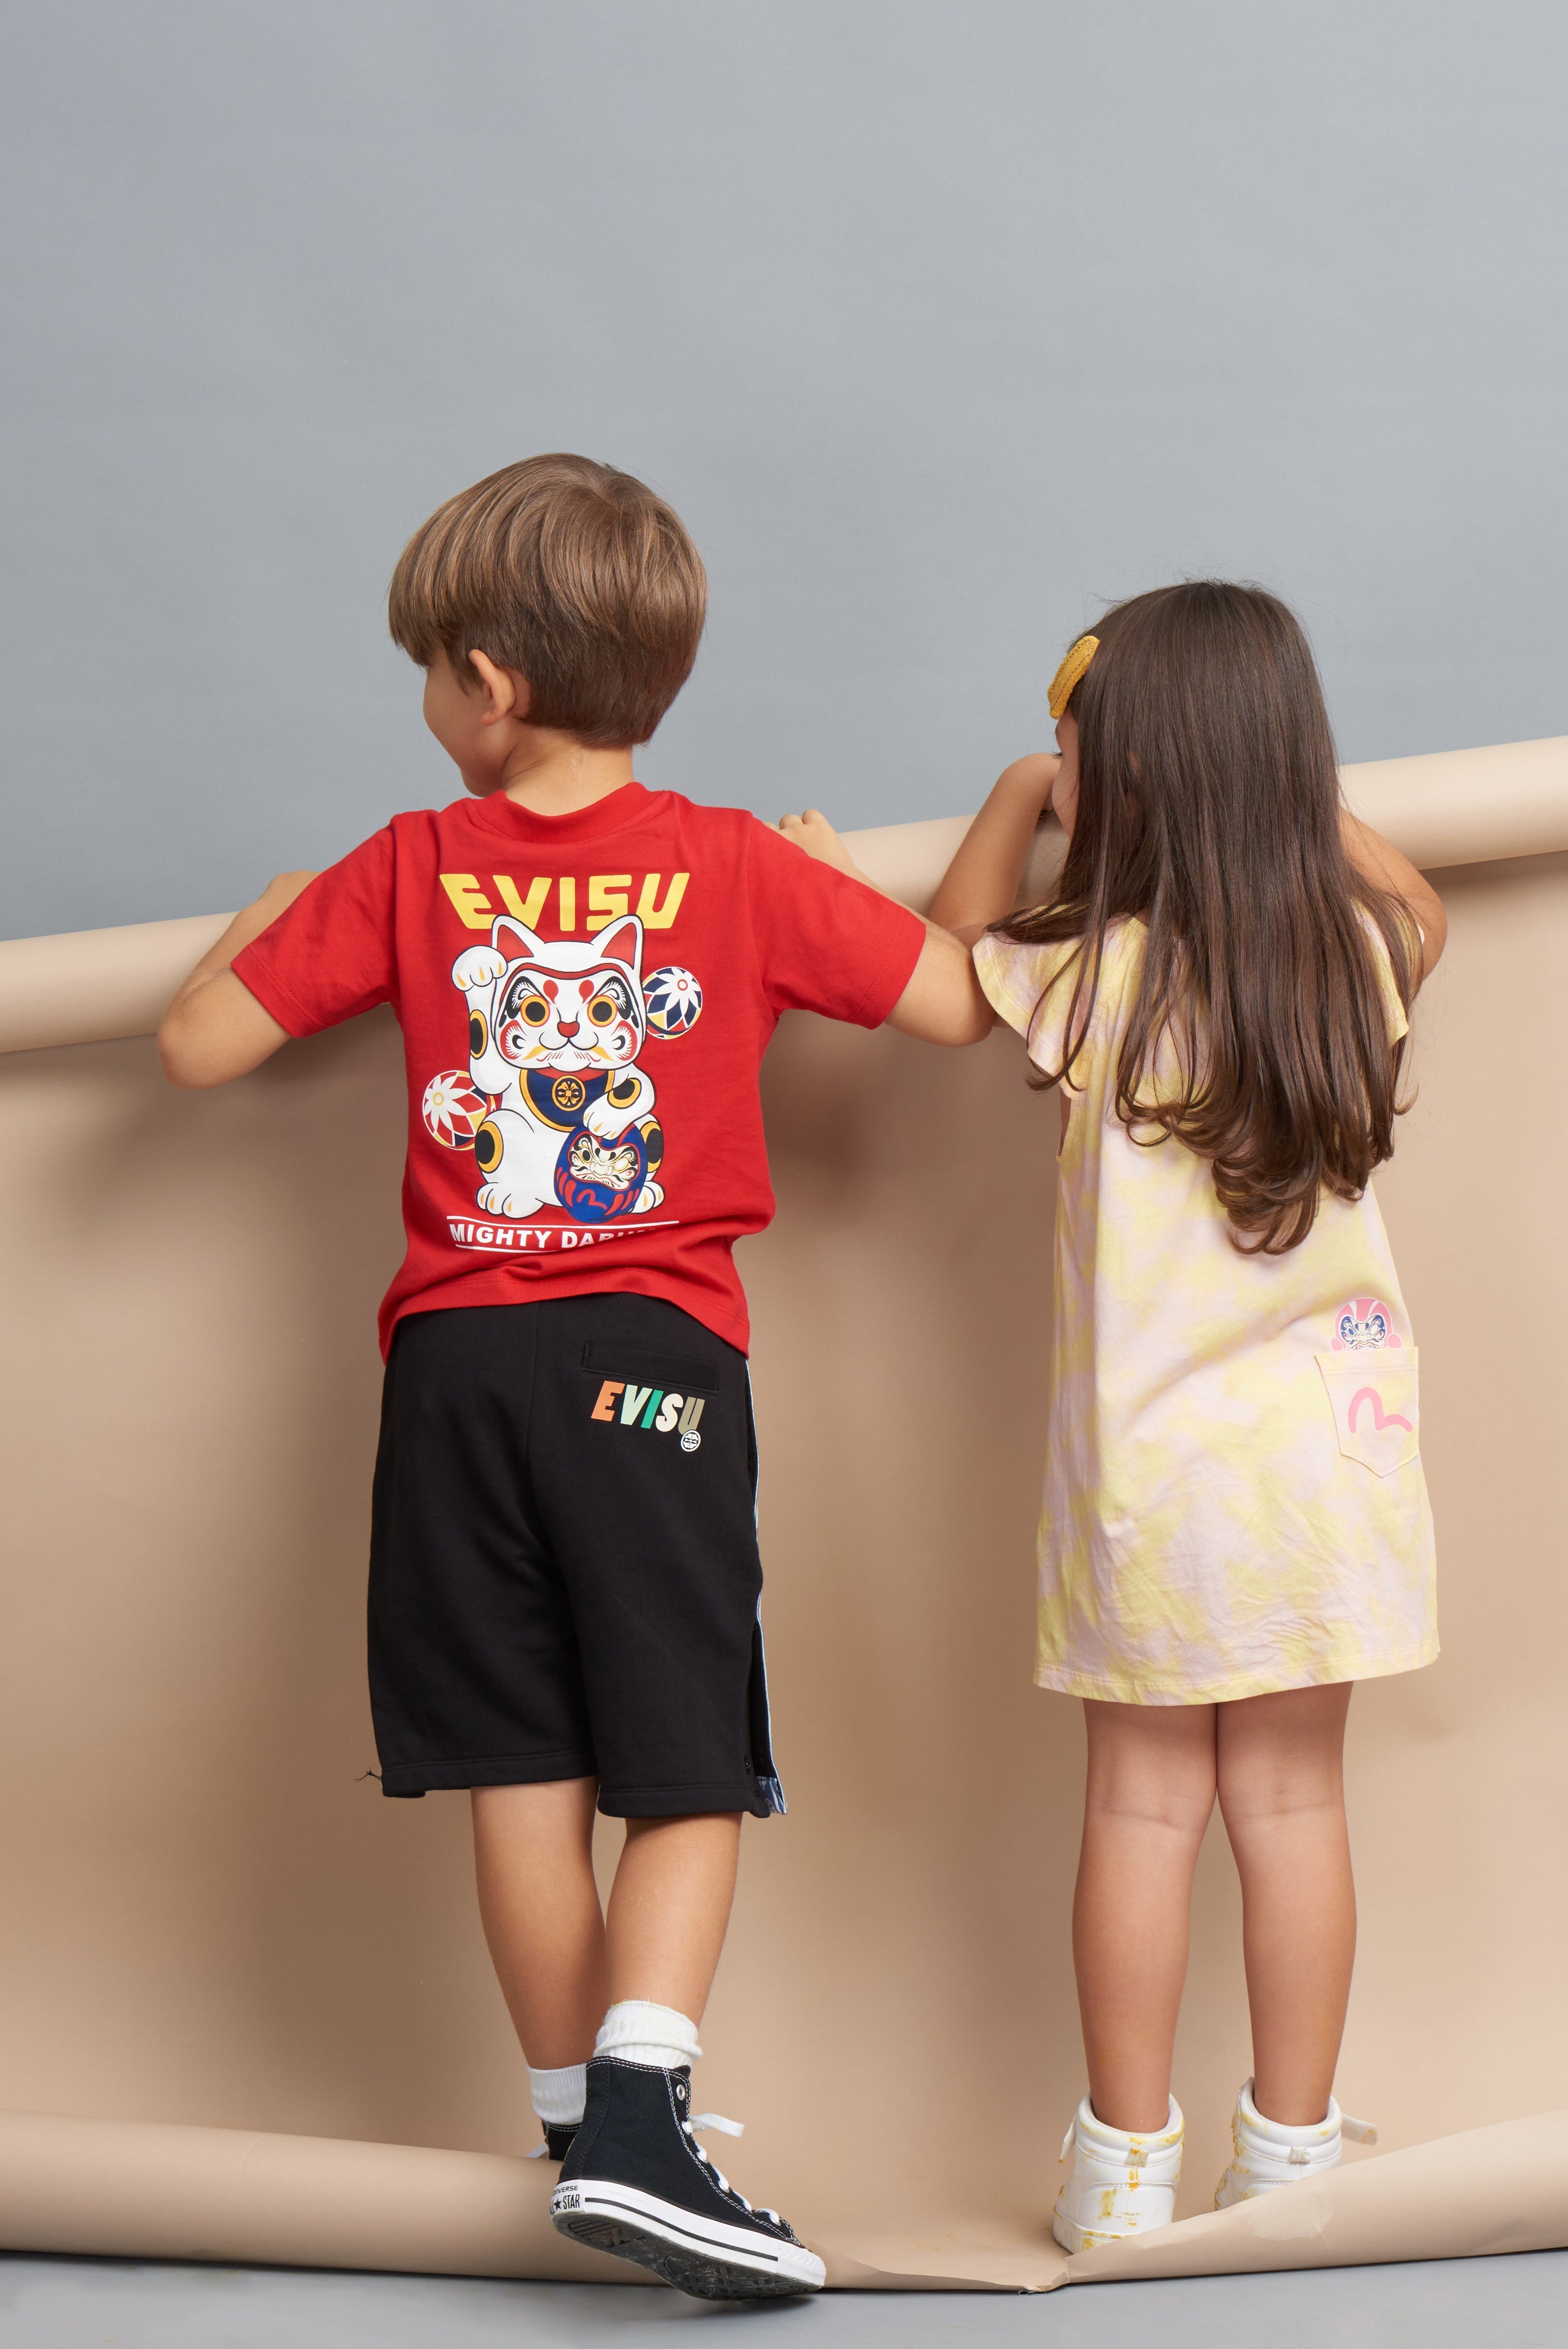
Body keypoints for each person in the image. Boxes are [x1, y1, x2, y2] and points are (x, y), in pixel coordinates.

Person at [157, 454, 991, 2299]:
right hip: (651, 1369)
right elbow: (956, 1005)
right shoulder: (742, 867)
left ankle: (576, 2137)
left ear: (488, 681)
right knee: (684, 1761)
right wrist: (849, 886)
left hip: (454, 1374)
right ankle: (639, 2120)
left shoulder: (402, 867)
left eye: (425, 670)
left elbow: (198, 1047)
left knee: (519, 1769)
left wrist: (265, 912)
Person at [782, 581, 1444, 2247]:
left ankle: (1122, 2169)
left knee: (1144, 1810)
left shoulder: (1097, 980)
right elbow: (1417, 898)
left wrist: (1021, 792)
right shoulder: (1353, 956)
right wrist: (1275, 786)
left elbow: (941, 973)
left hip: (1153, 1483)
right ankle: (1291, 2159)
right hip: (1334, 1471)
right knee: (1295, 1807)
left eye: (1078, 750)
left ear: (1121, 776)